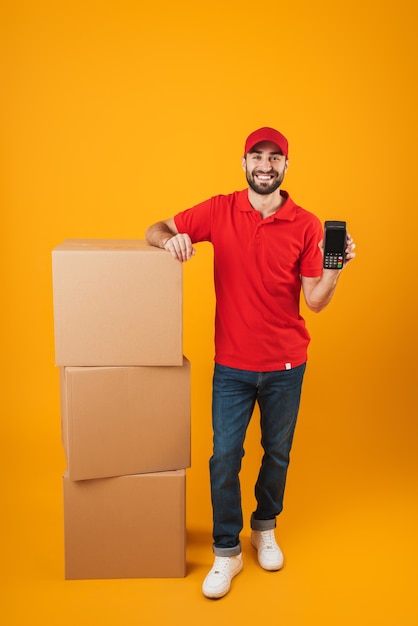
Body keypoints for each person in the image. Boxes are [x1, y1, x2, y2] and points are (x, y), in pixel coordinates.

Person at [145, 127, 356, 599]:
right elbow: (154, 227)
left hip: (286, 365)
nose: (265, 165)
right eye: (256, 157)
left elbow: (315, 302)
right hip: (233, 368)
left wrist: (334, 272)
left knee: (277, 453)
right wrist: (168, 243)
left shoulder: (306, 223)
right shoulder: (220, 210)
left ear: (285, 166)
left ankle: (264, 526)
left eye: (274, 157)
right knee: (225, 457)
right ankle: (227, 551)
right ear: (244, 163)